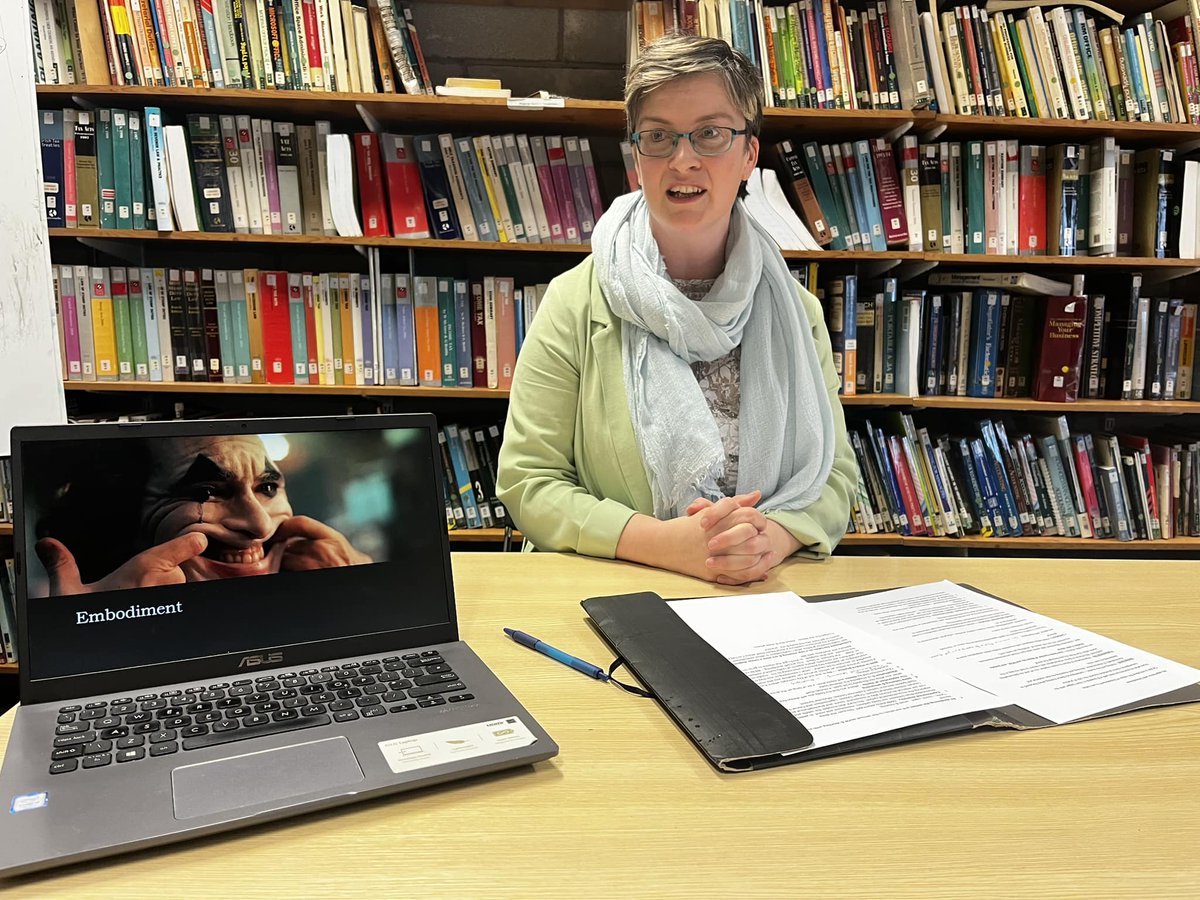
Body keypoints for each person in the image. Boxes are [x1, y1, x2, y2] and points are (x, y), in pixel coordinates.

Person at [496, 34, 857, 585]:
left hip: (765, 596)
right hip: (615, 593)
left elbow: (834, 473)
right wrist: (666, 546)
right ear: (637, 156)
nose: (683, 160)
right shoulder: (574, 302)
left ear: (749, 154)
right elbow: (530, 481)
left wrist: (772, 539)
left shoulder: (797, 311)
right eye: (659, 137)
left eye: (711, 134)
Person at [34, 434, 372, 596]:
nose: (260, 525)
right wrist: (108, 623)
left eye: (267, 488)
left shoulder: (321, 590)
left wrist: (362, 593)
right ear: (119, 519)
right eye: (206, 492)